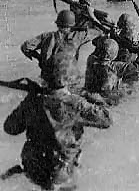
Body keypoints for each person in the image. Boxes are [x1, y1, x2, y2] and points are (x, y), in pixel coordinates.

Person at [4, 52, 112, 190]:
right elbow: (107, 120)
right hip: (61, 171)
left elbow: (10, 128)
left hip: (34, 167)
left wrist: (30, 98)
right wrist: (90, 97)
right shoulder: (76, 103)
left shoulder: (33, 100)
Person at [20, 10, 88, 87]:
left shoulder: (46, 36)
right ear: (72, 25)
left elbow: (25, 47)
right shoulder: (77, 37)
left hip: (48, 78)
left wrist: (39, 58)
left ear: (58, 24)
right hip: (69, 79)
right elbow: (98, 31)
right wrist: (91, 16)